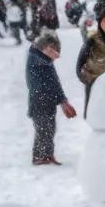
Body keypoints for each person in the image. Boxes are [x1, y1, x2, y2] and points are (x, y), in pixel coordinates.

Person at [25, 30, 77, 165]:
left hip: (49, 103)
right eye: (49, 50)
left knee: (50, 129)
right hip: (38, 103)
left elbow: (55, 82)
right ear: (41, 47)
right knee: (43, 130)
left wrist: (63, 101)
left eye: (55, 51)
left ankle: (48, 154)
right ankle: (38, 156)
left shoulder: (47, 62)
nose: (52, 54)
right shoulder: (35, 58)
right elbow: (44, 85)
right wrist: (60, 100)